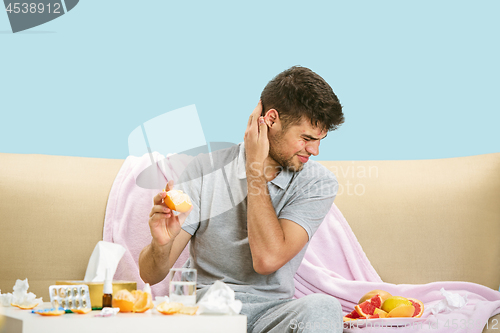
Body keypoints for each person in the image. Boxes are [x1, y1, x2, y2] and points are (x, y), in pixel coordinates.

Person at [139, 66, 345, 332]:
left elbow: (267, 260)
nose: (315, 150)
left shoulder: (317, 182)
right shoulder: (205, 169)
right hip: (209, 311)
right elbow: (151, 275)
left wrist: (254, 171)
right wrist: (160, 244)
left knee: (324, 308)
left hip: (273, 313)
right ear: (271, 120)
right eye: (306, 138)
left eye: (320, 140)